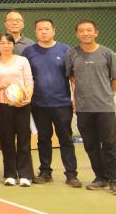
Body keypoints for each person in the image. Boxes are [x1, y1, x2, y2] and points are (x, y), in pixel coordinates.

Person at [23, 18, 79, 186]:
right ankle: (45, 172)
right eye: (40, 29)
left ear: (54, 31)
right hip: (38, 105)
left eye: (47, 29)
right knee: (43, 139)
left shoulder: (65, 50)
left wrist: (75, 98)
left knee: (66, 139)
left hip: (62, 104)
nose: (44, 32)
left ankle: (71, 174)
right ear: (35, 32)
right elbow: (25, 77)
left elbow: (73, 77)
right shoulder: (28, 51)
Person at [65, 20, 116, 193]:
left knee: (109, 145)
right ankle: (100, 177)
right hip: (83, 108)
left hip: (105, 108)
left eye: (89, 30)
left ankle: (114, 179)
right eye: (82, 31)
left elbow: (114, 79)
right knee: (91, 145)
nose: (86, 33)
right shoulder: (72, 54)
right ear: (77, 34)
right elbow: (72, 77)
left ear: (96, 33)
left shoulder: (107, 53)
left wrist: (105, 94)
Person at [0, 32, 34, 187]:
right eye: (2, 43)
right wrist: (1, 86)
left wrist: (28, 96)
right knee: (7, 140)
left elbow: (29, 80)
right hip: (3, 105)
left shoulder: (22, 60)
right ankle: (9, 174)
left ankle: (25, 174)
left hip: (22, 104)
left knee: (23, 139)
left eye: (9, 43)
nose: (6, 46)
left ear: (13, 45)